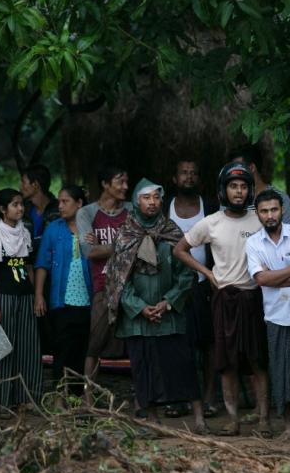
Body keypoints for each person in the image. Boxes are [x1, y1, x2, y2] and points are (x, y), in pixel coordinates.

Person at [174, 162, 269, 437]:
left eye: (243, 187)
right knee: (226, 363)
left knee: (257, 361)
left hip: (255, 297)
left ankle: (263, 419)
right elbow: (180, 249)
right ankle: (233, 420)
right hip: (224, 298)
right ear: (223, 191)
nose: (238, 192)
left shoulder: (259, 218)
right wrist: (207, 273)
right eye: (233, 187)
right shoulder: (211, 222)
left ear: (249, 191)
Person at [106, 178, 207, 433]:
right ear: (136, 202)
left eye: (156, 198)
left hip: (170, 315)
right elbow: (118, 279)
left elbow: (186, 274)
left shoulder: (171, 232)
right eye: (146, 197)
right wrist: (140, 307)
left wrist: (168, 302)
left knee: (183, 364)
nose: (152, 202)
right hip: (137, 319)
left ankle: (199, 419)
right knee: (144, 369)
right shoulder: (126, 234)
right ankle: (152, 420)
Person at [245, 189, 290, 440]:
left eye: (274, 209)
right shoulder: (253, 243)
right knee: (281, 371)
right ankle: (289, 427)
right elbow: (261, 279)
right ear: (258, 215)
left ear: (282, 210)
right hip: (276, 315)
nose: (270, 215)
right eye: (264, 211)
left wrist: (277, 276)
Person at [164, 158, 219, 418]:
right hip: (172, 288)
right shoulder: (166, 207)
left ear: (199, 179)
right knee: (176, 343)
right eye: (183, 173)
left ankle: (208, 398)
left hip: (204, 284)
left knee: (208, 343)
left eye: (193, 173)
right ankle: (179, 397)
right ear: (174, 179)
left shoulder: (209, 207)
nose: (188, 177)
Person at [0, 188, 42, 410]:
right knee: (2, 350)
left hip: (25, 295)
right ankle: (1, 402)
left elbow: (29, 265)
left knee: (29, 348)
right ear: (2, 209)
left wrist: (37, 295)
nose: (20, 208)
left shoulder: (25, 231)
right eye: (15, 204)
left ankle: (28, 399)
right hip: (3, 298)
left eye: (21, 204)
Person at [34, 185, 92, 399]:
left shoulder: (90, 228)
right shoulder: (53, 229)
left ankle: (79, 397)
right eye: (59, 201)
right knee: (61, 349)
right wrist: (39, 295)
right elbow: (42, 264)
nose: (60, 206)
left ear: (79, 203)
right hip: (61, 300)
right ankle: (60, 398)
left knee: (83, 349)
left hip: (87, 300)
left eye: (65, 201)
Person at [76, 166, 131, 385]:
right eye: (120, 181)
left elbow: (142, 245)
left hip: (131, 285)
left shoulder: (132, 209)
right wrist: (124, 244)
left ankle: (142, 402)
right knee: (94, 344)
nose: (125, 187)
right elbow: (90, 252)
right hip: (103, 285)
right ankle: (88, 399)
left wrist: (104, 246)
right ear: (105, 184)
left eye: (127, 182)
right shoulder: (87, 213)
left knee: (136, 343)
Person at [229, 143, 290, 225]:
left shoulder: (282, 199)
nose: (233, 173)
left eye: (238, 168)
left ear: (252, 168)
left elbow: (289, 235)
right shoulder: (228, 200)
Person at [20, 163, 60, 249]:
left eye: (23, 182)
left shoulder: (59, 210)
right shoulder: (21, 209)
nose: (20, 187)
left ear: (35, 185)